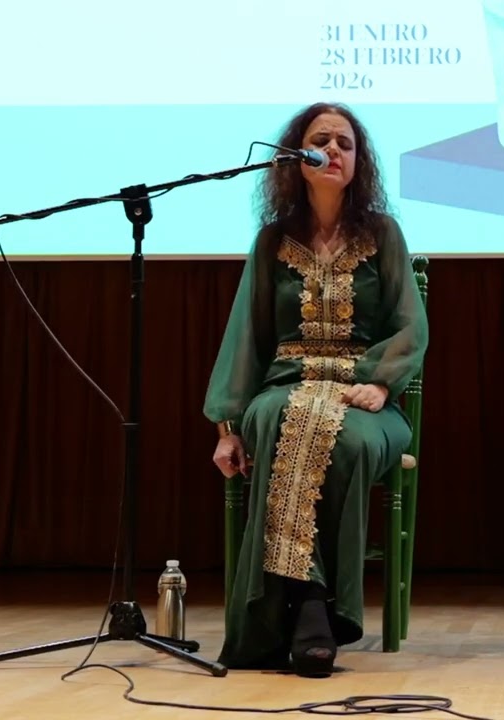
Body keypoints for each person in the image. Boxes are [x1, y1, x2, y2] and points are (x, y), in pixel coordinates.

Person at [203, 102, 429, 677]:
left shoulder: (382, 234)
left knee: (347, 438)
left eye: (344, 144)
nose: (332, 151)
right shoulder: (272, 241)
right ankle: (314, 607)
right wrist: (227, 427)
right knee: (288, 415)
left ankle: (303, 605)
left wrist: (381, 383)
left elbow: (411, 324)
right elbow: (246, 337)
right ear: (294, 158)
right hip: (285, 385)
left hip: (365, 396)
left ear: (359, 162)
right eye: (321, 140)